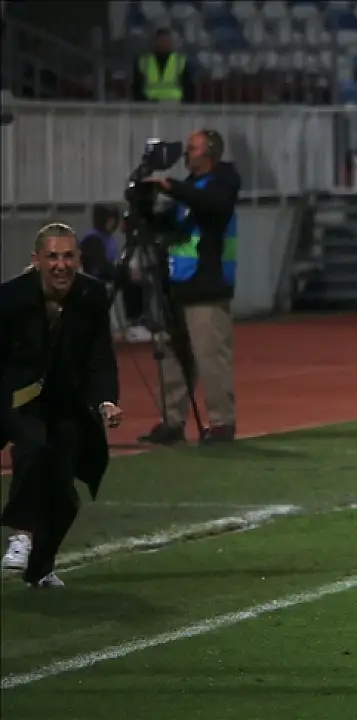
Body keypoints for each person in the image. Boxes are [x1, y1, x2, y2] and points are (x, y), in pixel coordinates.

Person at [0, 223, 123, 587]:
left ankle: (40, 569)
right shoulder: (10, 298)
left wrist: (106, 400)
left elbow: (100, 356)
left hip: (66, 403)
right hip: (18, 399)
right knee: (33, 447)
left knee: (65, 498)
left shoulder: (92, 294)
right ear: (36, 260)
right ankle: (21, 535)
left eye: (68, 256)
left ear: (78, 259)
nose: (61, 265)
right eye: (52, 256)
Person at [136, 129, 242, 446]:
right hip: (178, 283)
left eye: (192, 148)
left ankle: (221, 423)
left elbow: (214, 205)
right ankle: (172, 421)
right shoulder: (190, 189)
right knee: (172, 357)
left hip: (208, 284)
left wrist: (172, 187)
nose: (185, 153)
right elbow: (169, 227)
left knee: (210, 357)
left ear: (209, 151)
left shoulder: (223, 182)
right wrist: (144, 208)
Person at [79, 204, 152, 343]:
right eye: (110, 219)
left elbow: (113, 266)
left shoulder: (108, 239)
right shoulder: (92, 239)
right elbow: (101, 267)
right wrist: (126, 274)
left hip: (108, 286)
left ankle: (132, 324)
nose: (113, 223)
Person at [133, 28, 194, 104]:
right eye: (161, 40)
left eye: (166, 40)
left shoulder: (180, 61)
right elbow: (136, 86)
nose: (163, 43)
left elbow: (188, 87)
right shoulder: (144, 61)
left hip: (174, 103)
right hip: (149, 103)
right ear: (155, 42)